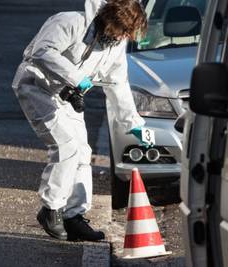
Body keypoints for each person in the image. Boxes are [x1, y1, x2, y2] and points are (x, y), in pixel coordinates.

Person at [11, 0, 149, 241]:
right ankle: (51, 208)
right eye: (123, 30)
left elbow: (117, 84)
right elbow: (42, 51)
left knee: (83, 153)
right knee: (65, 146)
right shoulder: (70, 22)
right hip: (37, 87)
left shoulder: (114, 44)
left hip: (67, 95)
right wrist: (75, 77)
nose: (125, 37)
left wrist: (133, 123)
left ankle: (74, 216)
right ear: (111, 20)